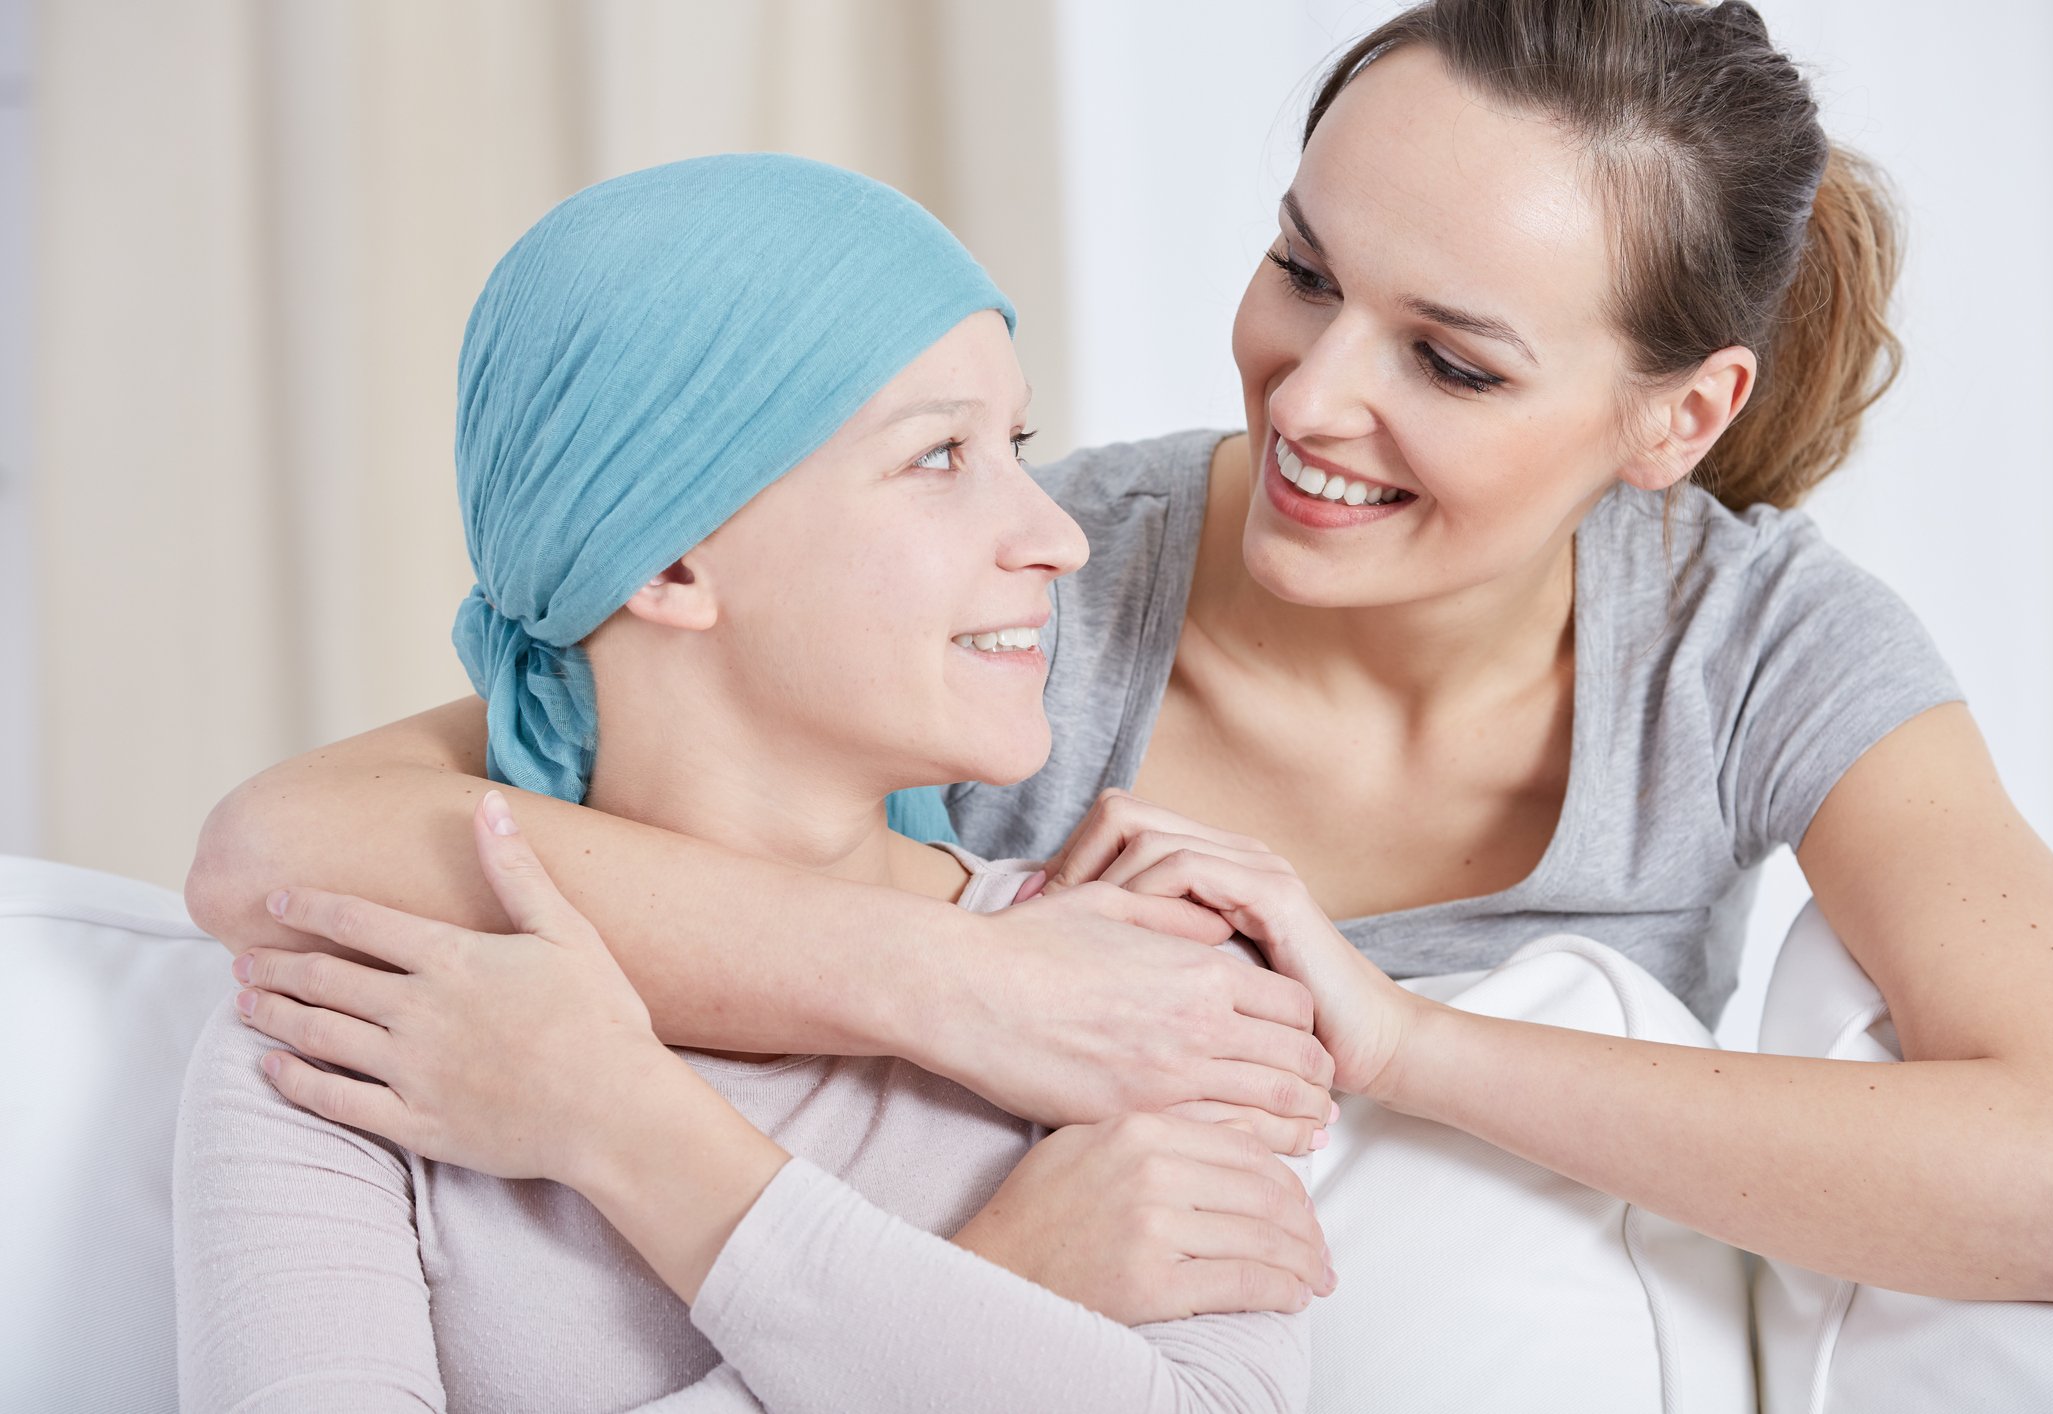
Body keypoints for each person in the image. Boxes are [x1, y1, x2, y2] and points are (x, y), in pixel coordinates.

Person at [191, 0, 2053, 1310]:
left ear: (1678, 418)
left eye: (1448, 359)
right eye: (1301, 269)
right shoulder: (1028, 583)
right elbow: (291, 843)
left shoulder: (1749, 645)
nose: (1310, 396)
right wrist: (970, 987)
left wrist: (1409, 1042)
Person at [174, 153, 1323, 1414]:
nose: (1058, 535)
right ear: (667, 561)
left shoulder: (1133, 996)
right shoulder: (363, 1013)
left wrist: (627, 1128)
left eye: (1020, 443)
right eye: (940, 455)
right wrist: (999, 1281)